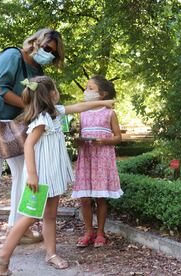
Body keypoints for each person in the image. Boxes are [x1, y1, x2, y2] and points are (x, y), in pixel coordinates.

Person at [0, 76, 115, 274]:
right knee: (30, 216)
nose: (58, 92)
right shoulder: (41, 119)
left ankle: (51, 254)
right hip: (40, 177)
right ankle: (2, 256)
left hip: (52, 175)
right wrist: (32, 175)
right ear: (51, 94)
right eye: (56, 89)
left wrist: (103, 103)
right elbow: (29, 145)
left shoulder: (55, 113)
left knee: (50, 216)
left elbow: (79, 107)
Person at [0, 28, 65, 246]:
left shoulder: (37, 68)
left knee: (24, 178)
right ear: (35, 41)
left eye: (53, 53)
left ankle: (17, 228)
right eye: (47, 48)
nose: (49, 54)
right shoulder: (12, 56)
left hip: (16, 127)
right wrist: (30, 106)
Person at [73, 75, 122, 248]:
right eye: (86, 88)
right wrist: (77, 141)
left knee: (101, 197)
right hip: (86, 158)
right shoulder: (83, 113)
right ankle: (88, 232)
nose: (86, 91)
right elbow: (80, 135)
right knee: (85, 198)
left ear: (103, 94)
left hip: (102, 159)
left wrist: (105, 141)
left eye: (90, 88)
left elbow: (118, 137)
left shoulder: (110, 113)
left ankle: (101, 233)